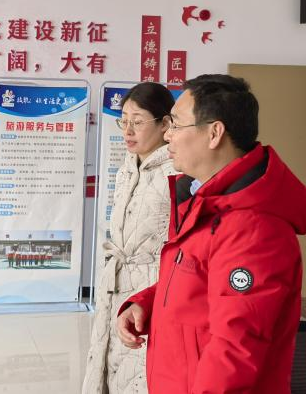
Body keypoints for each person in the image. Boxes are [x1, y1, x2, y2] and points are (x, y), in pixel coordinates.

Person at [116, 75, 306, 394]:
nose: (168, 135)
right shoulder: (207, 203)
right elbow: (197, 285)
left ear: (214, 133)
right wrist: (146, 304)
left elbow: (235, 349)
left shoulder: (254, 229)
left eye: (176, 124)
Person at [83, 82, 176, 394]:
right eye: (123, 121)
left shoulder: (176, 172)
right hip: (117, 283)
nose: (128, 130)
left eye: (137, 121)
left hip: (152, 286)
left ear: (165, 124)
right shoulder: (128, 168)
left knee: (140, 373)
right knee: (112, 365)